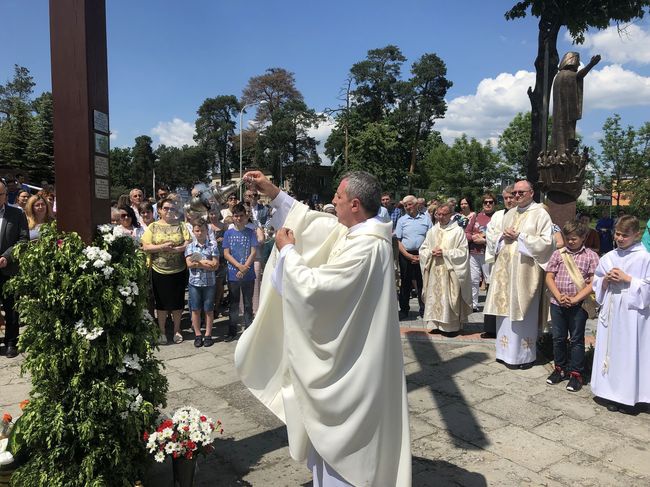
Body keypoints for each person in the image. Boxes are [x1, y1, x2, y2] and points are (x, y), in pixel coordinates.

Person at [234, 170, 411, 487]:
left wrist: (287, 251)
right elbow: (316, 224)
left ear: (354, 204)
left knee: (347, 449)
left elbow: (316, 290)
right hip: (352, 353)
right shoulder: (357, 232)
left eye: (338, 198)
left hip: (354, 367)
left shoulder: (366, 247)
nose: (332, 201)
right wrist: (274, 193)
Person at [484, 180, 554, 369]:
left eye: (521, 192)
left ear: (531, 193)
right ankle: (503, 352)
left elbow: (548, 242)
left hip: (525, 273)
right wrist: (501, 237)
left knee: (523, 313)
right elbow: (493, 237)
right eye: (514, 193)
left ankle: (523, 357)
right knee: (504, 312)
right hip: (505, 271)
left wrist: (520, 237)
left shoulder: (540, 214)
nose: (516, 196)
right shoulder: (510, 214)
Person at [590, 216, 650, 414]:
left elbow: (648, 287)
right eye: (618, 234)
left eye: (625, 235)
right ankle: (609, 392)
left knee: (630, 351)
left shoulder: (644, 257)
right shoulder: (609, 257)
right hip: (612, 307)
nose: (620, 238)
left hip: (633, 313)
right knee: (611, 350)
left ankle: (631, 396)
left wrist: (628, 279)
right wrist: (605, 280)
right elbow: (596, 281)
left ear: (636, 234)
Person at [545, 220, 599, 392]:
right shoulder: (558, 254)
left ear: (584, 237)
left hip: (579, 304)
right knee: (558, 338)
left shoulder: (591, 256)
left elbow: (593, 282)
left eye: (574, 238)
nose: (570, 241)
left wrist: (576, 298)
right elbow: (549, 277)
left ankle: (576, 373)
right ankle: (559, 368)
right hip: (558, 302)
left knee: (576, 339)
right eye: (568, 238)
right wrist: (558, 295)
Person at [141, 197, 191, 345]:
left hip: (179, 270)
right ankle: (162, 331)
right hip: (159, 270)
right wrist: (161, 247)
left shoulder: (182, 225)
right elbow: (146, 247)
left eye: (172, 209)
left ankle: (177, 330)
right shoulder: (153, 227)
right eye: (166, 208)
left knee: (177, 302)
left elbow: (189, 241)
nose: (169, 211)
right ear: (160, 210)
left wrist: (179, 248)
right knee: (161, 303)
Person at [419, 203, 472, 336]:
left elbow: (463, 252)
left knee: (448, 298)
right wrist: (431, 252)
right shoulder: (432, 231)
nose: (440, 217)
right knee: (434, 297)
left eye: (444, 214)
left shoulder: (457, 231)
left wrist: (445, 253)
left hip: (449, 272)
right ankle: (435, 324)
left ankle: (450, 327)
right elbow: (423, 249)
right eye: (438, 214)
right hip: (434, 271)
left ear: (451, 215)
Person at [0, 181, 29, 358]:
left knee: (11, 308)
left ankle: (11, 342)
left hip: (8, 269)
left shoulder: (17, 214)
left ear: (5, 195)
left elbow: (23, 239)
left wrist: (7, 257)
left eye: (0, 194)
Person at [551, 52, 601, 154]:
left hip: (560, 114)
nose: (578, 64)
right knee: (567, 132)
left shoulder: (559, 76)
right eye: (577, 61)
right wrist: (591, 64)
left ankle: (561, 151)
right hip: (567, 113)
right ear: (571, 60)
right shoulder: (567, 75)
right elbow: (579, 76)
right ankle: (565, 151)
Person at [482, 185, 515, 339]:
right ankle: (491, 328)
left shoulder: (524, 214)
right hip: (499, 260)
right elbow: (490, 234)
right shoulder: (498, 215)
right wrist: (503, 236)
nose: (508, 200)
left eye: (511, 197)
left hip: (516, 263)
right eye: (505, 198)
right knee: (495, 292)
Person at [222, 203, 258, 341]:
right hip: (233, 274)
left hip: (248, 274)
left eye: (241, 216)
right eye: (236, 216)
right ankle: (232, 330)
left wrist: (245, 267)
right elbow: (226, 253)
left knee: (248, 303)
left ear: (246, 216)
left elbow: (253, 252)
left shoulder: (250, 233)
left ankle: (248, 330)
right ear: (233, 217)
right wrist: (238, 266)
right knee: (234, 303)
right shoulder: (228, 233)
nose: (238, 218)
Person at [395, 195, 432, 320]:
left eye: (409, 204)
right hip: (406, 254)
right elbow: (398, 241)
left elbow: (431, 237)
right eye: (405, 205)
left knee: (422, 282)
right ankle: (404, 310)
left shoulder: (426, 219)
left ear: (416, 204)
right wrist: (408, 255)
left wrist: (421, 255)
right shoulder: (402, 220)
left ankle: (424, 309)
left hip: (423, 254)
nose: (407, 207)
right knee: (405, 283)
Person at [185, 220, 219, 348]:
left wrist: (198, 262)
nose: (200, 233)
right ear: (193, 232)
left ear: (207, 231)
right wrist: (206, 263)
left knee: (209, 309)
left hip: (209, 282)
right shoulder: (190, 246)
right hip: (195, 282)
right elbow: (189, 264)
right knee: (195, 309)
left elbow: (215, 265)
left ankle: (208, 334)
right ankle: (198, 334)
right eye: (197, 231)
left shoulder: (212, 246)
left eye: (202, 230)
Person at [466, 193, 496, 312]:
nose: (488, 204)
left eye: (490, 202)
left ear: (494, 204)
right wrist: (473, 237)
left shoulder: (498, 217)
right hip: (474, 252)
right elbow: (466, 232)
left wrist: (484, 239)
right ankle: (473, 304)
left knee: (490, 279)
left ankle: (491, 304)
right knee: (473, 279)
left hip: (489, 252)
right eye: (485, 202)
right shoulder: (476, 216)